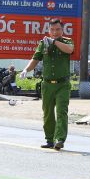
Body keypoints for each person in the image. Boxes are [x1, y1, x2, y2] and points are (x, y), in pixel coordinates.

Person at [19, 18, 74, 150]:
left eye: (58, 29)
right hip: (47, 84)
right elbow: (35, 59)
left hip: (62, 84)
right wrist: (26, 69)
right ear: (49, 30)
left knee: (61, 112)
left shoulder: (67, 41)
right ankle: (49, 139)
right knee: (48, 113)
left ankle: (59, 139)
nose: (55, 32)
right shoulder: (43, 44)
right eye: (52, 30)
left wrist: (54, 42)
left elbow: (69, 50)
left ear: (62, 30)